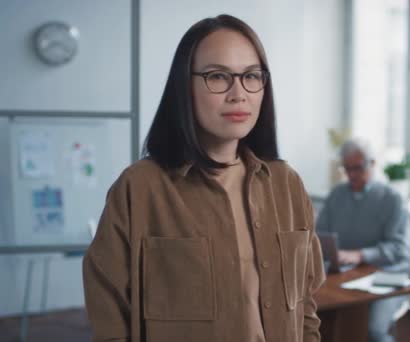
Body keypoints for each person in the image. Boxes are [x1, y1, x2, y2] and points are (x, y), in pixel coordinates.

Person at [82, 14, 325, 342]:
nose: (238, 93)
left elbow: (305, 305)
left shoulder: (287, 183)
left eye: (251, 76)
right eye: (217, 76)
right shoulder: (139, 188)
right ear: (185, 86)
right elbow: (109, 315)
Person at [316, 138, 410, 342]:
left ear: (373, 164)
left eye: (358, 168)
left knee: (372, 332)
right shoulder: (337, 194)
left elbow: (398, 249)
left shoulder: (392, 199)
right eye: (347, 168)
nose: (351, 175)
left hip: (387, 278)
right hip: (345, 277)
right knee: (319, 320)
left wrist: (360, 255)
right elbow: (318, 234)